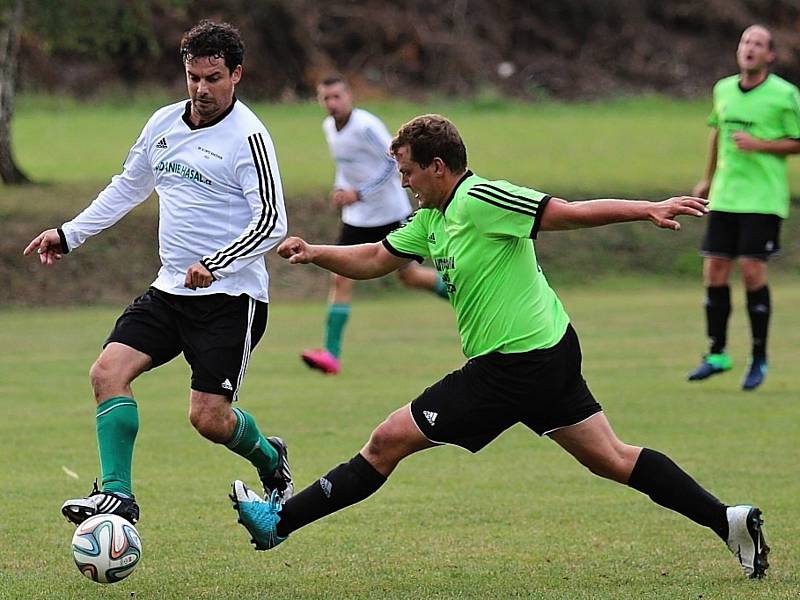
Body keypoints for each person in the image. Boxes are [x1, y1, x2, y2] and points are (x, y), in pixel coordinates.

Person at [229, 114, 769, 580]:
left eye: (410, 172)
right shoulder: (431, 220)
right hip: (542, 355)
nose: (406, 183)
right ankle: (729, 521)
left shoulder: (481, 197)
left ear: (439, 166)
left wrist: (646, 208)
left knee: (386, 440)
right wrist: (314, 251)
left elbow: (566, 212)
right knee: (613, 458)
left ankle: (279, 522)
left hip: (517, 364)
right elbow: (374, 259)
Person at [23, 20, 293, 526]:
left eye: (214, 78)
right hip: (169, 290)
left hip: (232, 298)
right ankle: (118, 495)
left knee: (208, 419)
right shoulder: (163, 124)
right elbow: (127, 186)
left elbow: (272, 221)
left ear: (237, 74)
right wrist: (69, 233)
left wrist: (216, 265)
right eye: (193, 76)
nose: (201, 89)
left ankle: (270, 458)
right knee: (107, 373)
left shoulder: (249, 137)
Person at [300, 77, 449, 376]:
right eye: (325, 98)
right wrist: (341, 189)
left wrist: (361, 193)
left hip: (389, 213)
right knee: (340, 279)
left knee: (409, 277)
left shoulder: (366, 126)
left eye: (336, 96)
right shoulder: (329, 128)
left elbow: (393, 163)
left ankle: (467, 290)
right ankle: (331, 355)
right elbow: (347, 167)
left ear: (349, 96)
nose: (331, 103)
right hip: (357, 217)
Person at [688, 24, 800, 390]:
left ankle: (759, 356)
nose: (749, 48)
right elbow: (717, 133)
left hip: (763, 199)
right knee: (714, 272)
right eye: (745, 42)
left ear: (770, 55)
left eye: (758, 44)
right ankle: (717, 353)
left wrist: (760, 144)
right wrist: (706, 179)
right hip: (725, 196)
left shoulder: (785, 95)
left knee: (752, 272)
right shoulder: (723, 89)